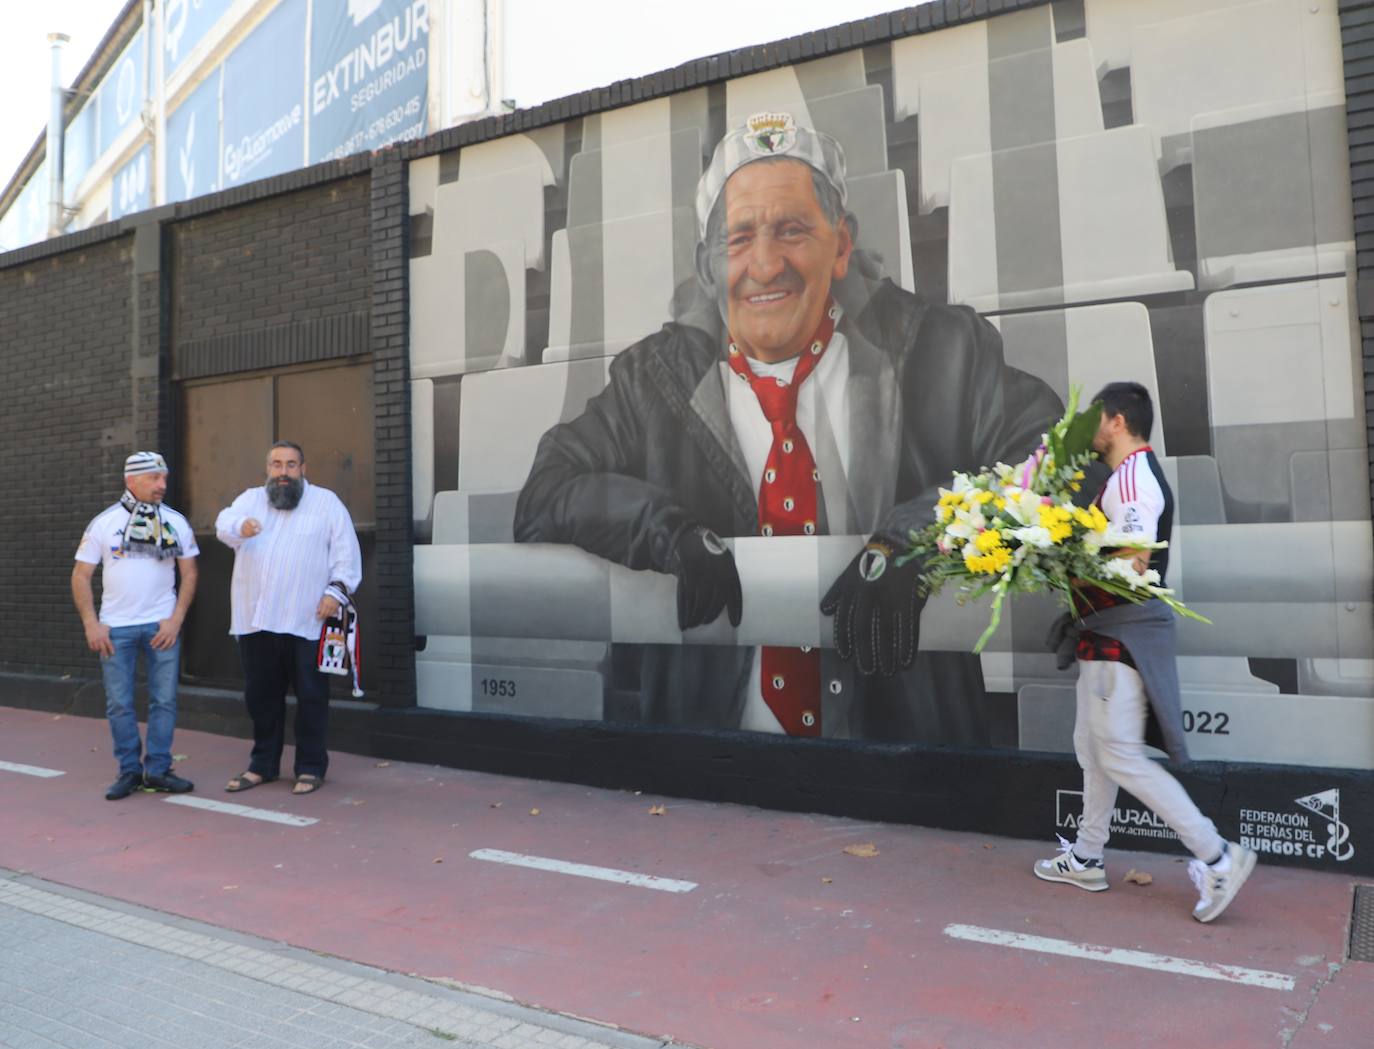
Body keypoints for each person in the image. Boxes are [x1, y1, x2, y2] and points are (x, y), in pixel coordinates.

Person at [515, 113, 1062, 742]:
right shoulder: (651, 380)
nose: (766, 264)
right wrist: (666, 531)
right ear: (706, 265)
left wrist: (922, 537)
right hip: (709, 768)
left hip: (908, 766)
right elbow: (546, 491)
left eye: (793, 230)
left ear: (842, 245)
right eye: (738, 238)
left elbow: (1053, 458)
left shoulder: (945, 351)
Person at [1036, 382, 1257, 922]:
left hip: (1122, 636)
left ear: (1115, 421)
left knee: (1118, 755)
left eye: (1094, 419)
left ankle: (1219, 856)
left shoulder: (1134, 475)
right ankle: (1088, 856)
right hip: (1105, 634)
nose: (1089, 429)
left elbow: (1134, 561)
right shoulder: (1123, 477)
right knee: (1092, 747)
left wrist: (1063, 555)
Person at [214, 441, 362, 795]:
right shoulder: (250, 500)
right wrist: (240, 527)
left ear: (303, 469)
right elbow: (222, 523)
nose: (283, 472)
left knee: (312, 696)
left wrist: (334, 593)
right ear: (268, 469)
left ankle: (310, 767)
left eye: (291, 465)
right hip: (256, 618)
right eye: (277, 465)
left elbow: (346, 555)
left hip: (307, 619)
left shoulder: (326, 503)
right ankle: (262, 765)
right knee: (261, 697)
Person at [72, 452, 199, 800]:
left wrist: (176, 620)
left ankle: (158, 770)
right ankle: (129, 771)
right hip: (116, 630)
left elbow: (189, 572)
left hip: (162, 627)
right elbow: (81, 576)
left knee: (165, 701)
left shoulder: (175, 521)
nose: (162, 485)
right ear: (131, 481)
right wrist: (91, 624)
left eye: (164, 478)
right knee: (119, 703)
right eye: (154, 478)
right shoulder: (104, 523)